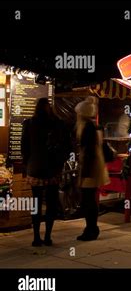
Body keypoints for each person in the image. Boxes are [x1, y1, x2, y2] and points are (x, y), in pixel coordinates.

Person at [22, 98, 69, 247]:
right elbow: (67, 146)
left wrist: (27, 164)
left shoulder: (29, 124)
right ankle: (48, 236)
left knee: (36, 203)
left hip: (35, 168)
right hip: (53, 170)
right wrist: (60, 162)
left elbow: (24, 148)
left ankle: (36, 237)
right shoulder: (59, 124)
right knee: (51, 204)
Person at [75, 96, 110, 241]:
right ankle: (91, 228)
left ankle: (91, 229)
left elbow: (88, 150)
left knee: (87, 200)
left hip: (91, 168)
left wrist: (86, 173)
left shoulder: (87, 127)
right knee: (89, 199)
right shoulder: (93, 125)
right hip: (94, 166)